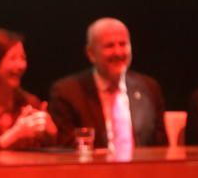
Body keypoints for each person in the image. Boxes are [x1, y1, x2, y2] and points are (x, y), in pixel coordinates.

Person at [49, 17, 166, 150]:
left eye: (123, 44)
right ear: (91, 53)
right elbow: (64, 149)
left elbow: (161, 147)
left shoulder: (149, 88)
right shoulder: (67, 93)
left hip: (143, 169)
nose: (118, 52)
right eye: (109, 46)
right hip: (91, 169)